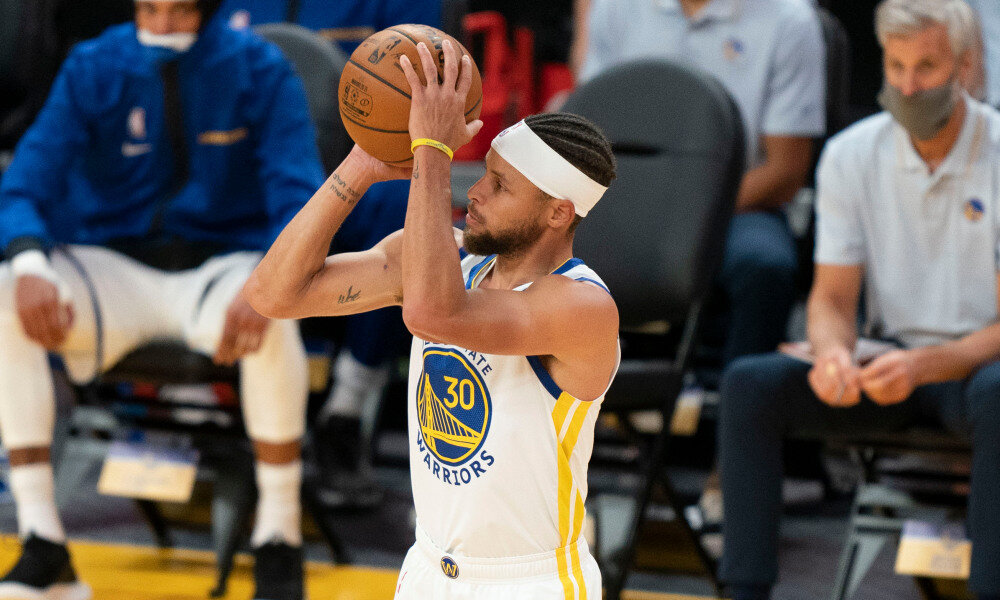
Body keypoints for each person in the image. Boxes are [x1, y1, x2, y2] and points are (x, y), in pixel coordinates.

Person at [246, 39, 619, 599]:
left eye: (500, 185)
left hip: (532, 582)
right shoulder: (443, 257)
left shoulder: (580, 306)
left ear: (557, 213)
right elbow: (273, 293)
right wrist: (362, 164)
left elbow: (432, 313)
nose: (479, 192)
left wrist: (431, 152)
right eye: (484, 172)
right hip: (426, 571)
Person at [0, 1, 323, 598]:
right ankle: (43, 540)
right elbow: (23, 183)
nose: (161, 27)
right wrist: (27, 262)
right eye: (150, 10)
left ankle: (279, 537)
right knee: (5, 296)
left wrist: (271, 282)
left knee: (279, 311)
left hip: (224, 268)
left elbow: (299, 197)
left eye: (177, 13)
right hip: (115, 268)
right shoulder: (93, 64)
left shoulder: (260, 66)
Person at [717, 1, 1000, 598]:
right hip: (888, 361)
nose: (907, 85)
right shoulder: (851, 153)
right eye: (895, 66)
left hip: (976, 368)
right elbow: (831, 297)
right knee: (749, 385)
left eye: (926, 66)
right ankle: (742, 591)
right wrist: (831, 354)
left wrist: (925, 365)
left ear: (968, 67)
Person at [218, 0, 444, 508]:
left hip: (350, 169)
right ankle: (201, 417)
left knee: (403, 206)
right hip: (252, 181)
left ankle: (346, 410)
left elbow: (443, 79)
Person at [577, 0, 825, 367]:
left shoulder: (791, 20)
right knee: (523, 242)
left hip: (737, 205)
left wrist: (686, 221)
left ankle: (737, 406)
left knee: (764, 265)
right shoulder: (615, 8)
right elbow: (588, 127)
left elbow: (785, 173)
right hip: (622, 199)